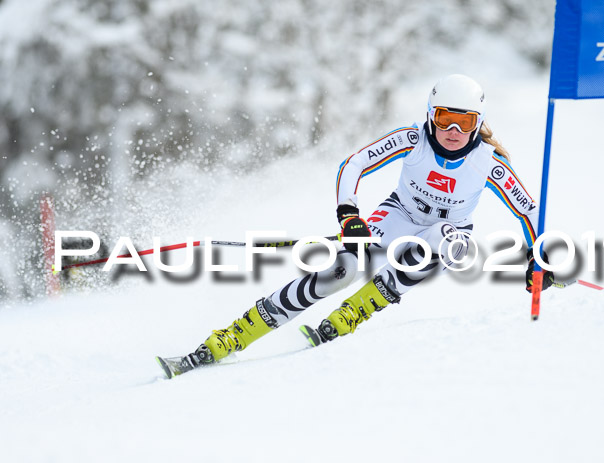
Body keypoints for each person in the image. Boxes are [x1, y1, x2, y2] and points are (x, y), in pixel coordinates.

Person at [157, 74, 555, 378]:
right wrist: (350, 216)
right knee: (339, 270)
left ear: (477, 123)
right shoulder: (410, 138)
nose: (453, 130)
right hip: (398, 216)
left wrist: (537, 260)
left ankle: (354, 312)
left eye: (464, 122)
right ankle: (231, 337)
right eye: (445, 118)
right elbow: (354, 165)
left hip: (446, 234)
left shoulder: (490, 162)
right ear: (430, 115)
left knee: (449, 244)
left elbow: (528, 211)